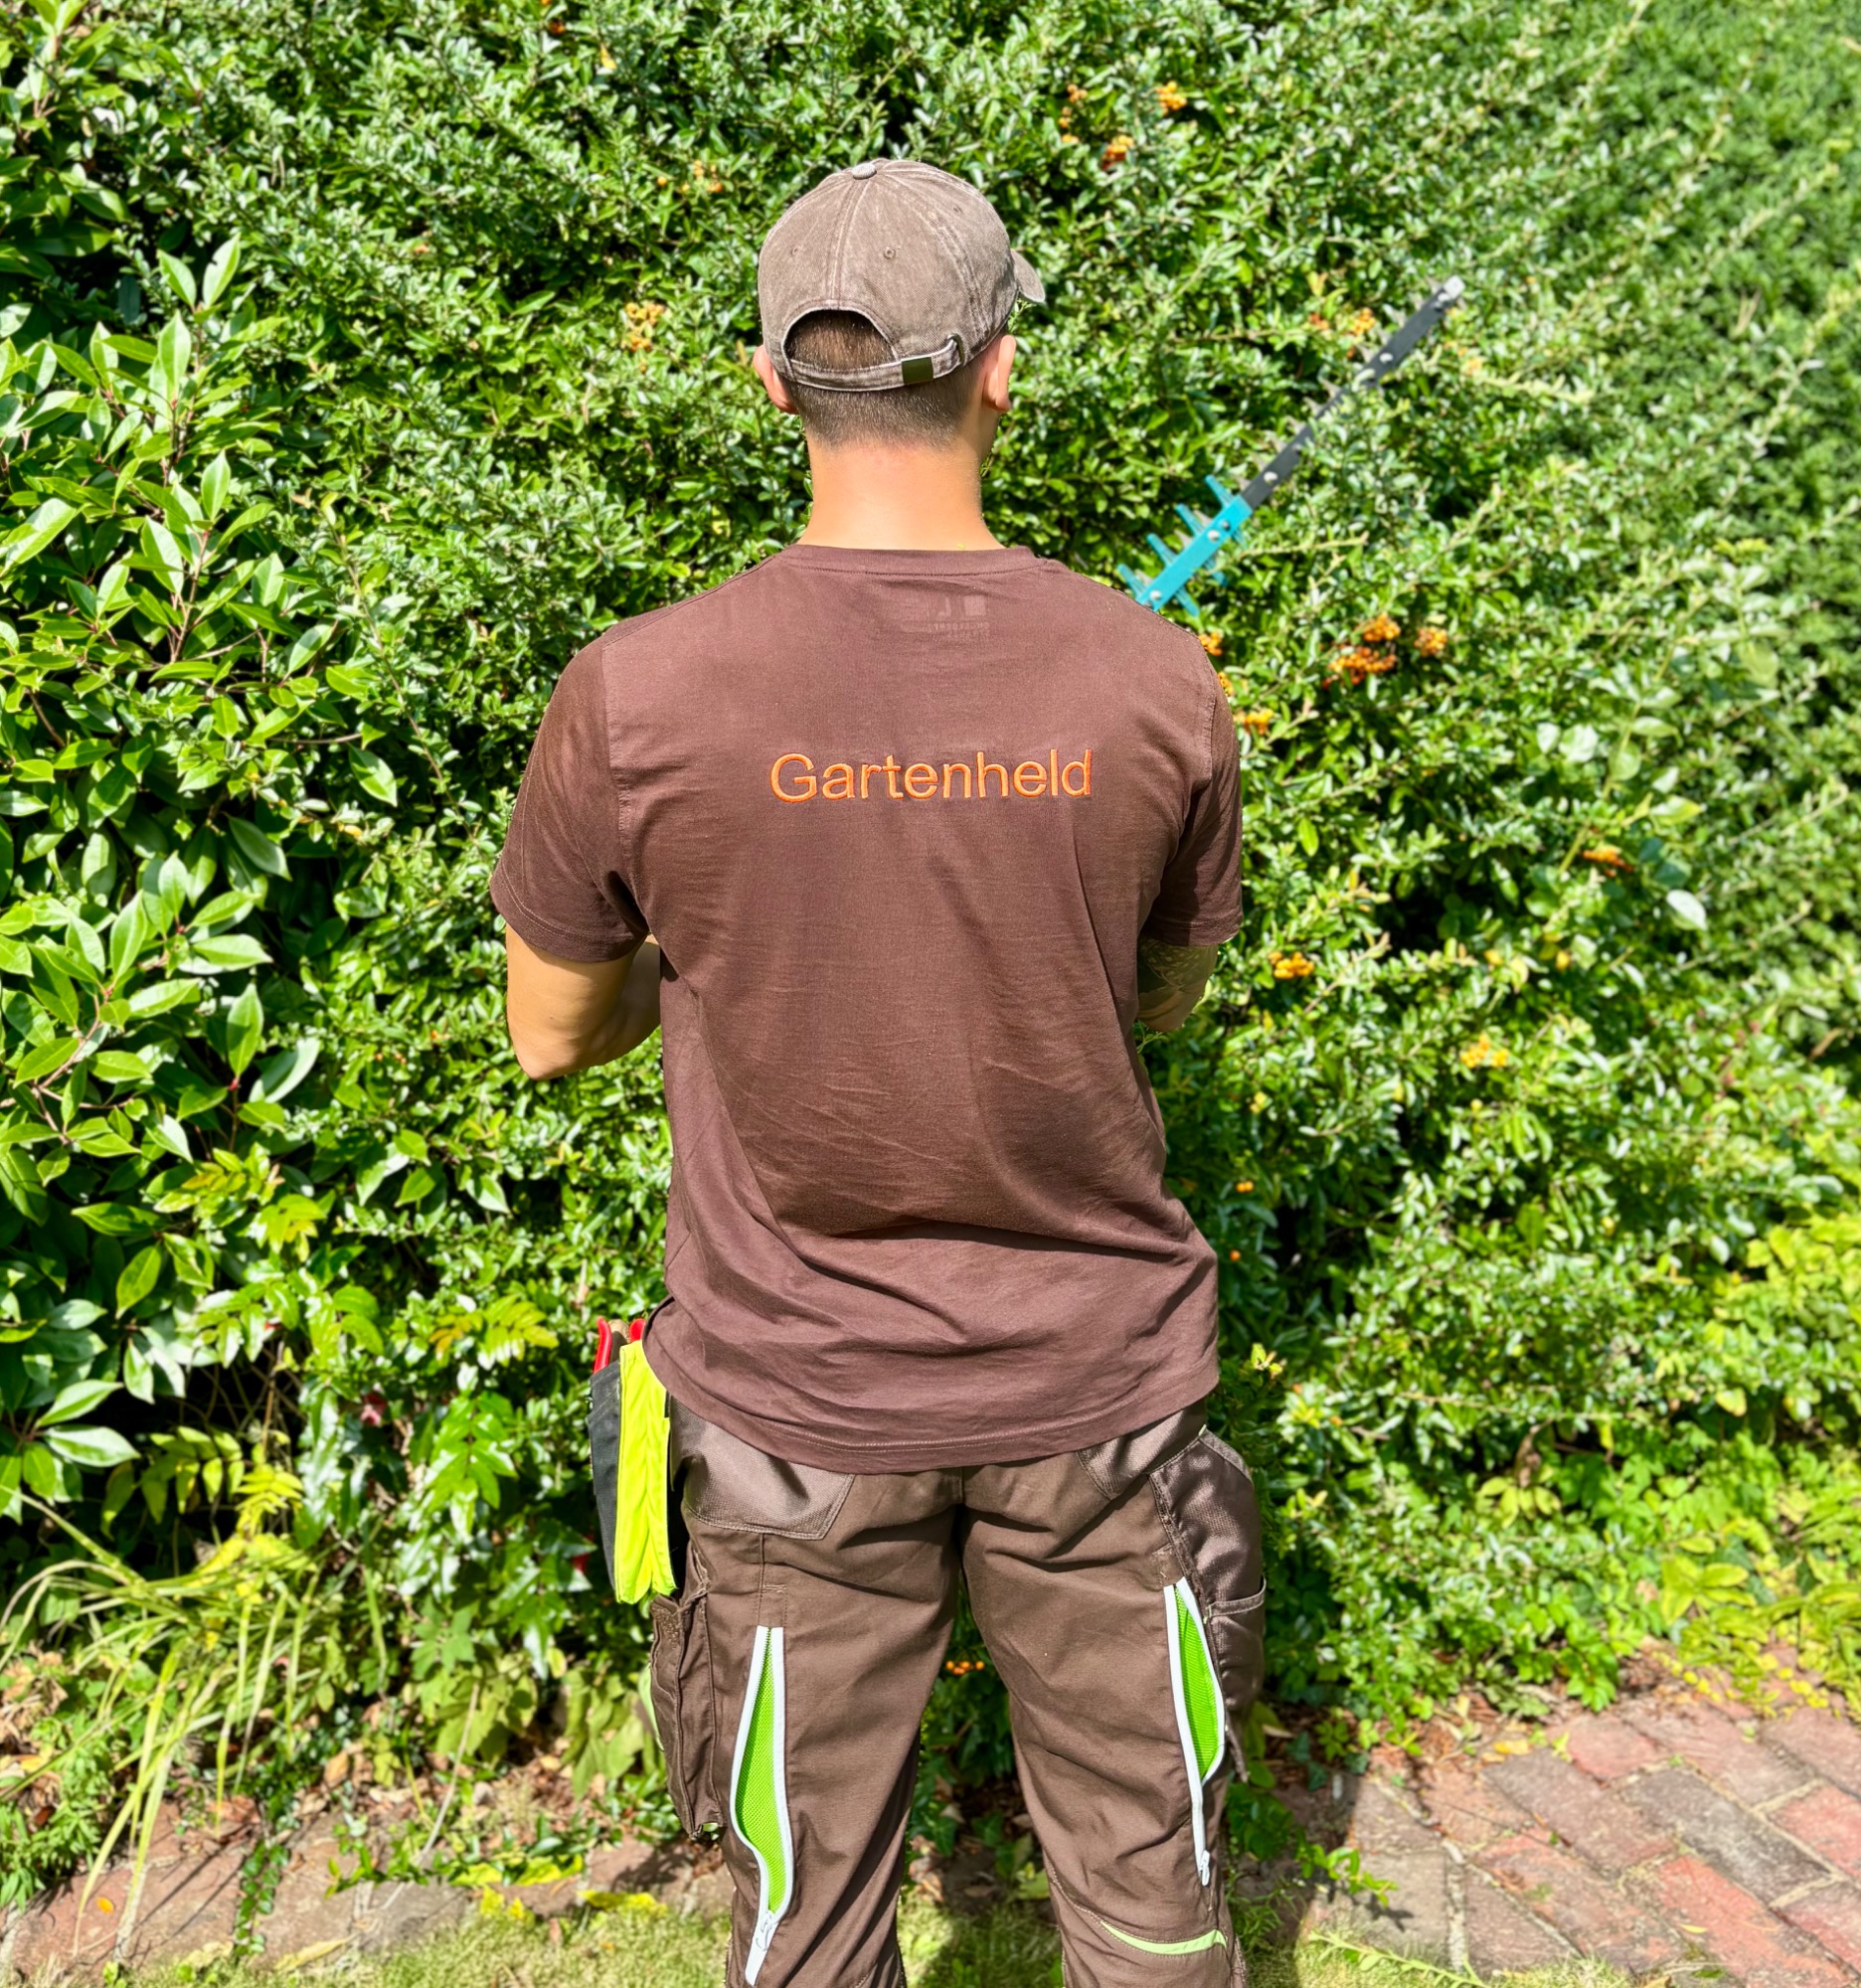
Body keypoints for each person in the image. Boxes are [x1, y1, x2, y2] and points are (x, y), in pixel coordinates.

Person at [491, 158, 1261, 1988]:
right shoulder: (1156, 681)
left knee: (805, 1934)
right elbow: (1163, 999)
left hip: (789, 1411)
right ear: (1002, 368)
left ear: (772, 381)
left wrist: (710, 951)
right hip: (1101, 1400)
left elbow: (550, 1032)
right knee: (1154, 1922)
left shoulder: (637, 693)